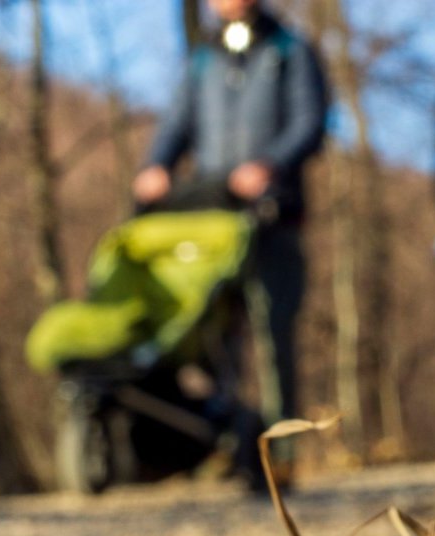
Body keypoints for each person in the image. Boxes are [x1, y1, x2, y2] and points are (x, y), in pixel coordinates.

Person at [133, 0, 328, 474]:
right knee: (214, 335)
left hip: (271, 216)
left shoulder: (290, 50)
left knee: (273, 331)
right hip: (213, 221)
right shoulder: (203, 58)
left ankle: (282, 449)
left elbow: (310, 123)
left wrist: (271, 165)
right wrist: (155, 166)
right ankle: (228, 440)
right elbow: (176, 122)